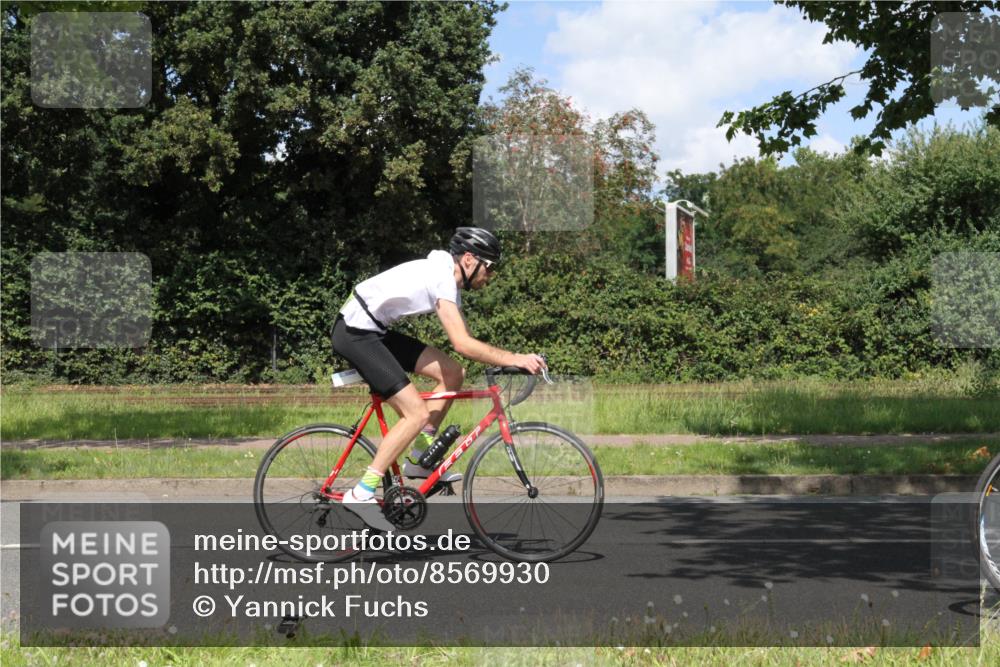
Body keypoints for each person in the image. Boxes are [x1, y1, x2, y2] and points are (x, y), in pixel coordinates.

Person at [331, 227, 547, 531]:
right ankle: (361, 491)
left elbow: (466, 344)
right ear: (470, 260)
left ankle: (420, 456)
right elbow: (463, 343)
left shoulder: (448, 279)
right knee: (416, 412)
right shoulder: (442, 276)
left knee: (453, 373)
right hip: (355, 333)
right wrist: (514, 358)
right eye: (490, 266)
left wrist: (510, 358)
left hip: (374, 331)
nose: (491, 274)